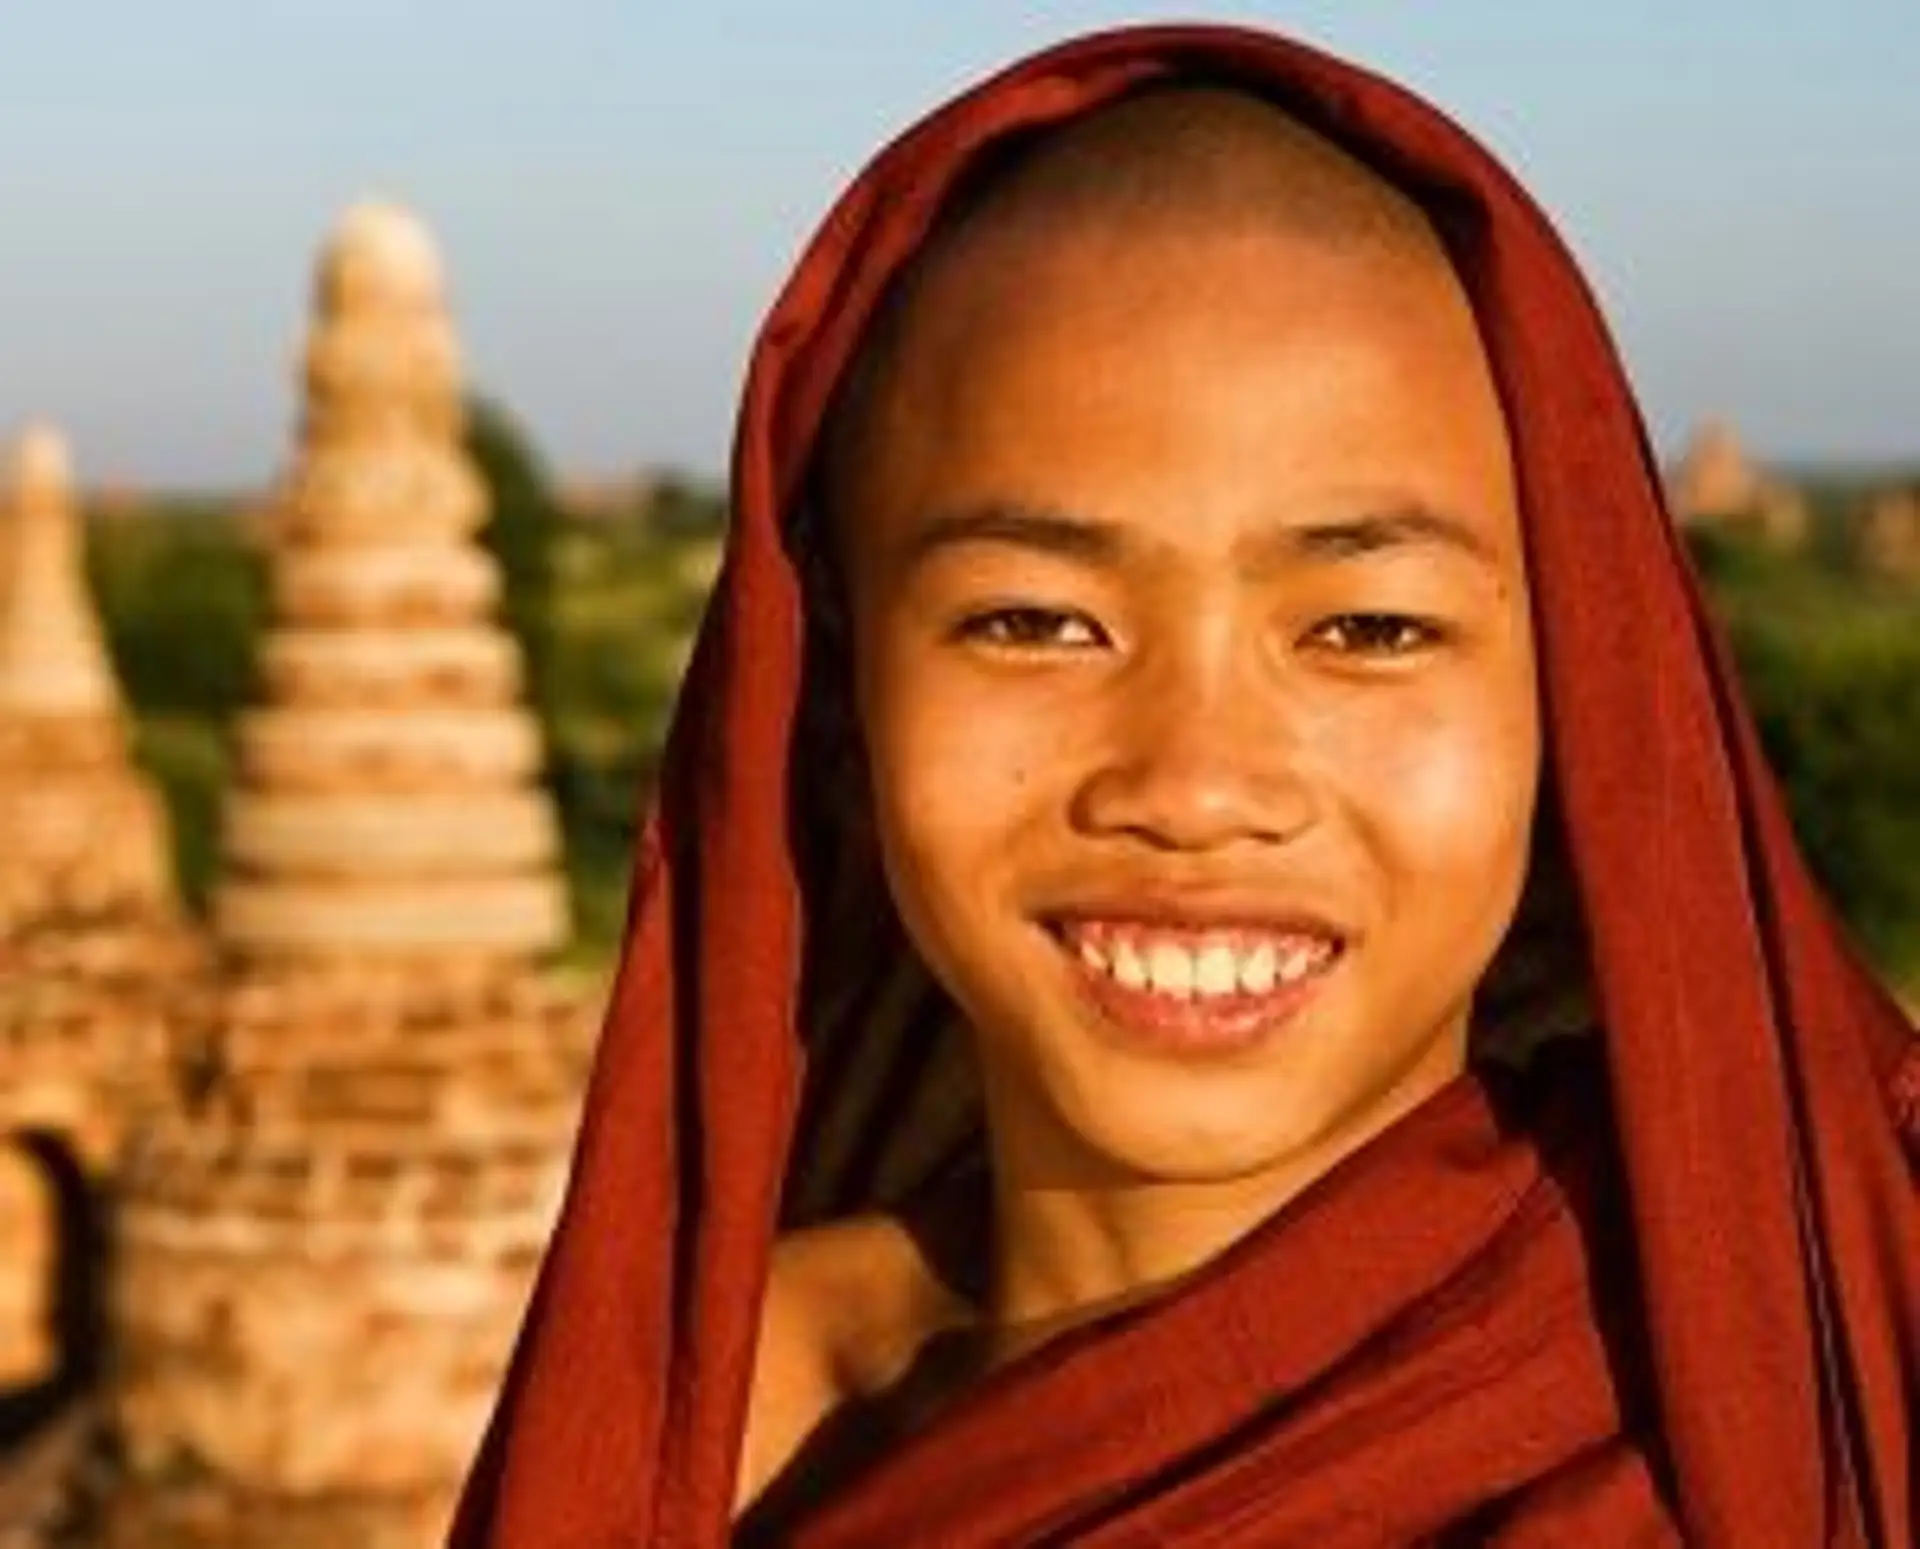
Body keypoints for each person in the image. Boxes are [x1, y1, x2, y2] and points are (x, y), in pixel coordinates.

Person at [452, 23, 1918, 1546]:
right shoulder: (696, 1437)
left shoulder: (1817, 1344)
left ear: (1585, 696)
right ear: (837, 687)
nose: (1196, 785)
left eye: (1368, 628)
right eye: (1034, 622)